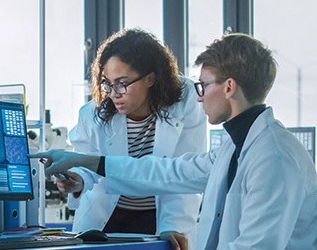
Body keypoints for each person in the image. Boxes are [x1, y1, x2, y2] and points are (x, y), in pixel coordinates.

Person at [33, 33, 317, 250]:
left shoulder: (273, 157)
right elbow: (167, 172)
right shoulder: (236, 149)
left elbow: (257, 246)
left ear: (229, 87)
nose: (198, 97)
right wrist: (88, 162)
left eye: (203, 86)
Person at [53, 29, 205, 239]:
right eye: (107, 83)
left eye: (122, 84)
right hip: (105, 217)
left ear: (150, 78)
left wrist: (173, 226)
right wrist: (77, 180)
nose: (113, 94)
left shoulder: (184, 99)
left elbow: (184, 172)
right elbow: (88, 163)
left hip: (161, 215)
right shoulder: (93, 114)